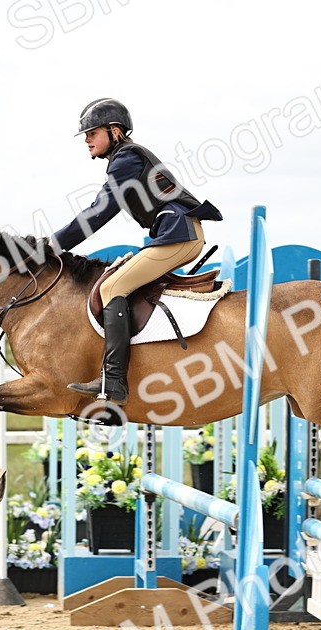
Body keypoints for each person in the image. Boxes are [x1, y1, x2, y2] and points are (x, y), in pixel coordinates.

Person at [51, 98, 222, 405]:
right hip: (175, 234)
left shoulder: (127, 158)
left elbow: (99, 212)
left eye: (92, 132)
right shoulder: (125, 159)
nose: (87, 139)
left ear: (114, 130)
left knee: (112, 286)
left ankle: (113, 381)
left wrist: (54, 245)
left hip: (178, 236)